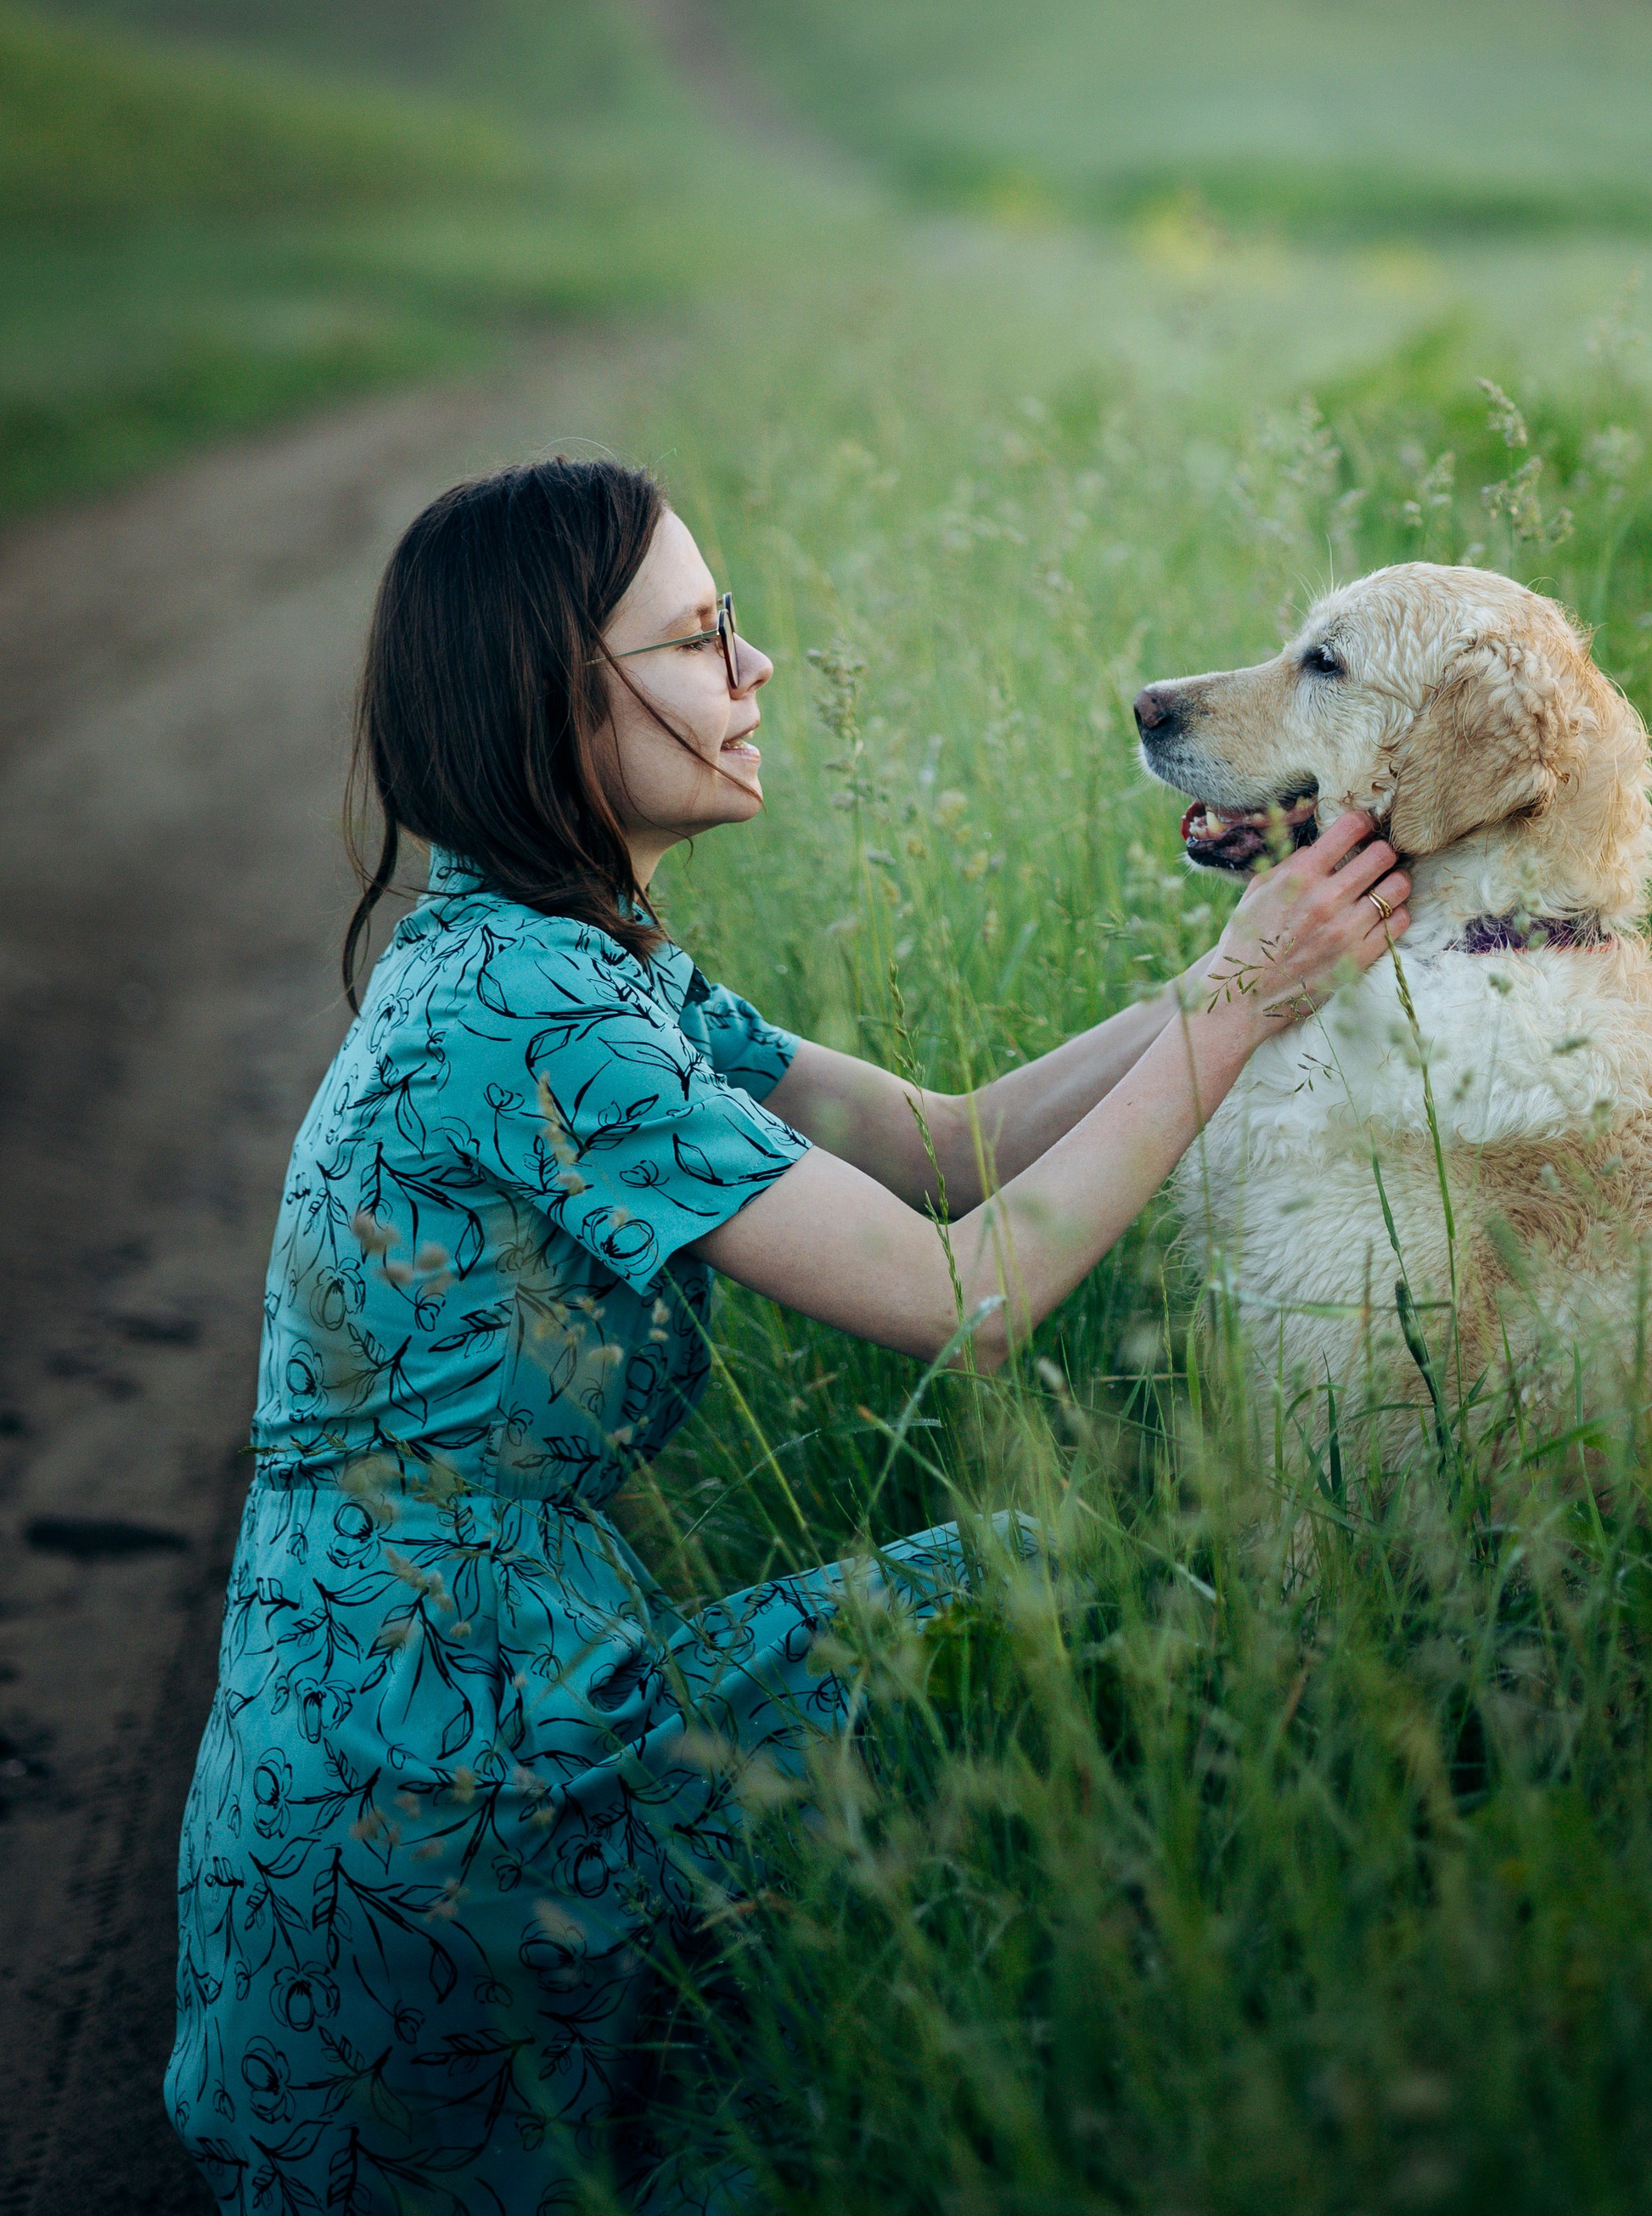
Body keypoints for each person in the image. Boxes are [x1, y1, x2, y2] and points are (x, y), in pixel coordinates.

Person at [164, 455, 1409, 2214]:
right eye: (697, 639)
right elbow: (963, 1298)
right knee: (1065, 1593)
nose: (754, 674)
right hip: (442, 1777)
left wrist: (1235, 963)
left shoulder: (580, 953)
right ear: (550, 698)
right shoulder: (530, 1005)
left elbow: (938, 1144)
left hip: (450, 1708)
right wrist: (1243, 999)